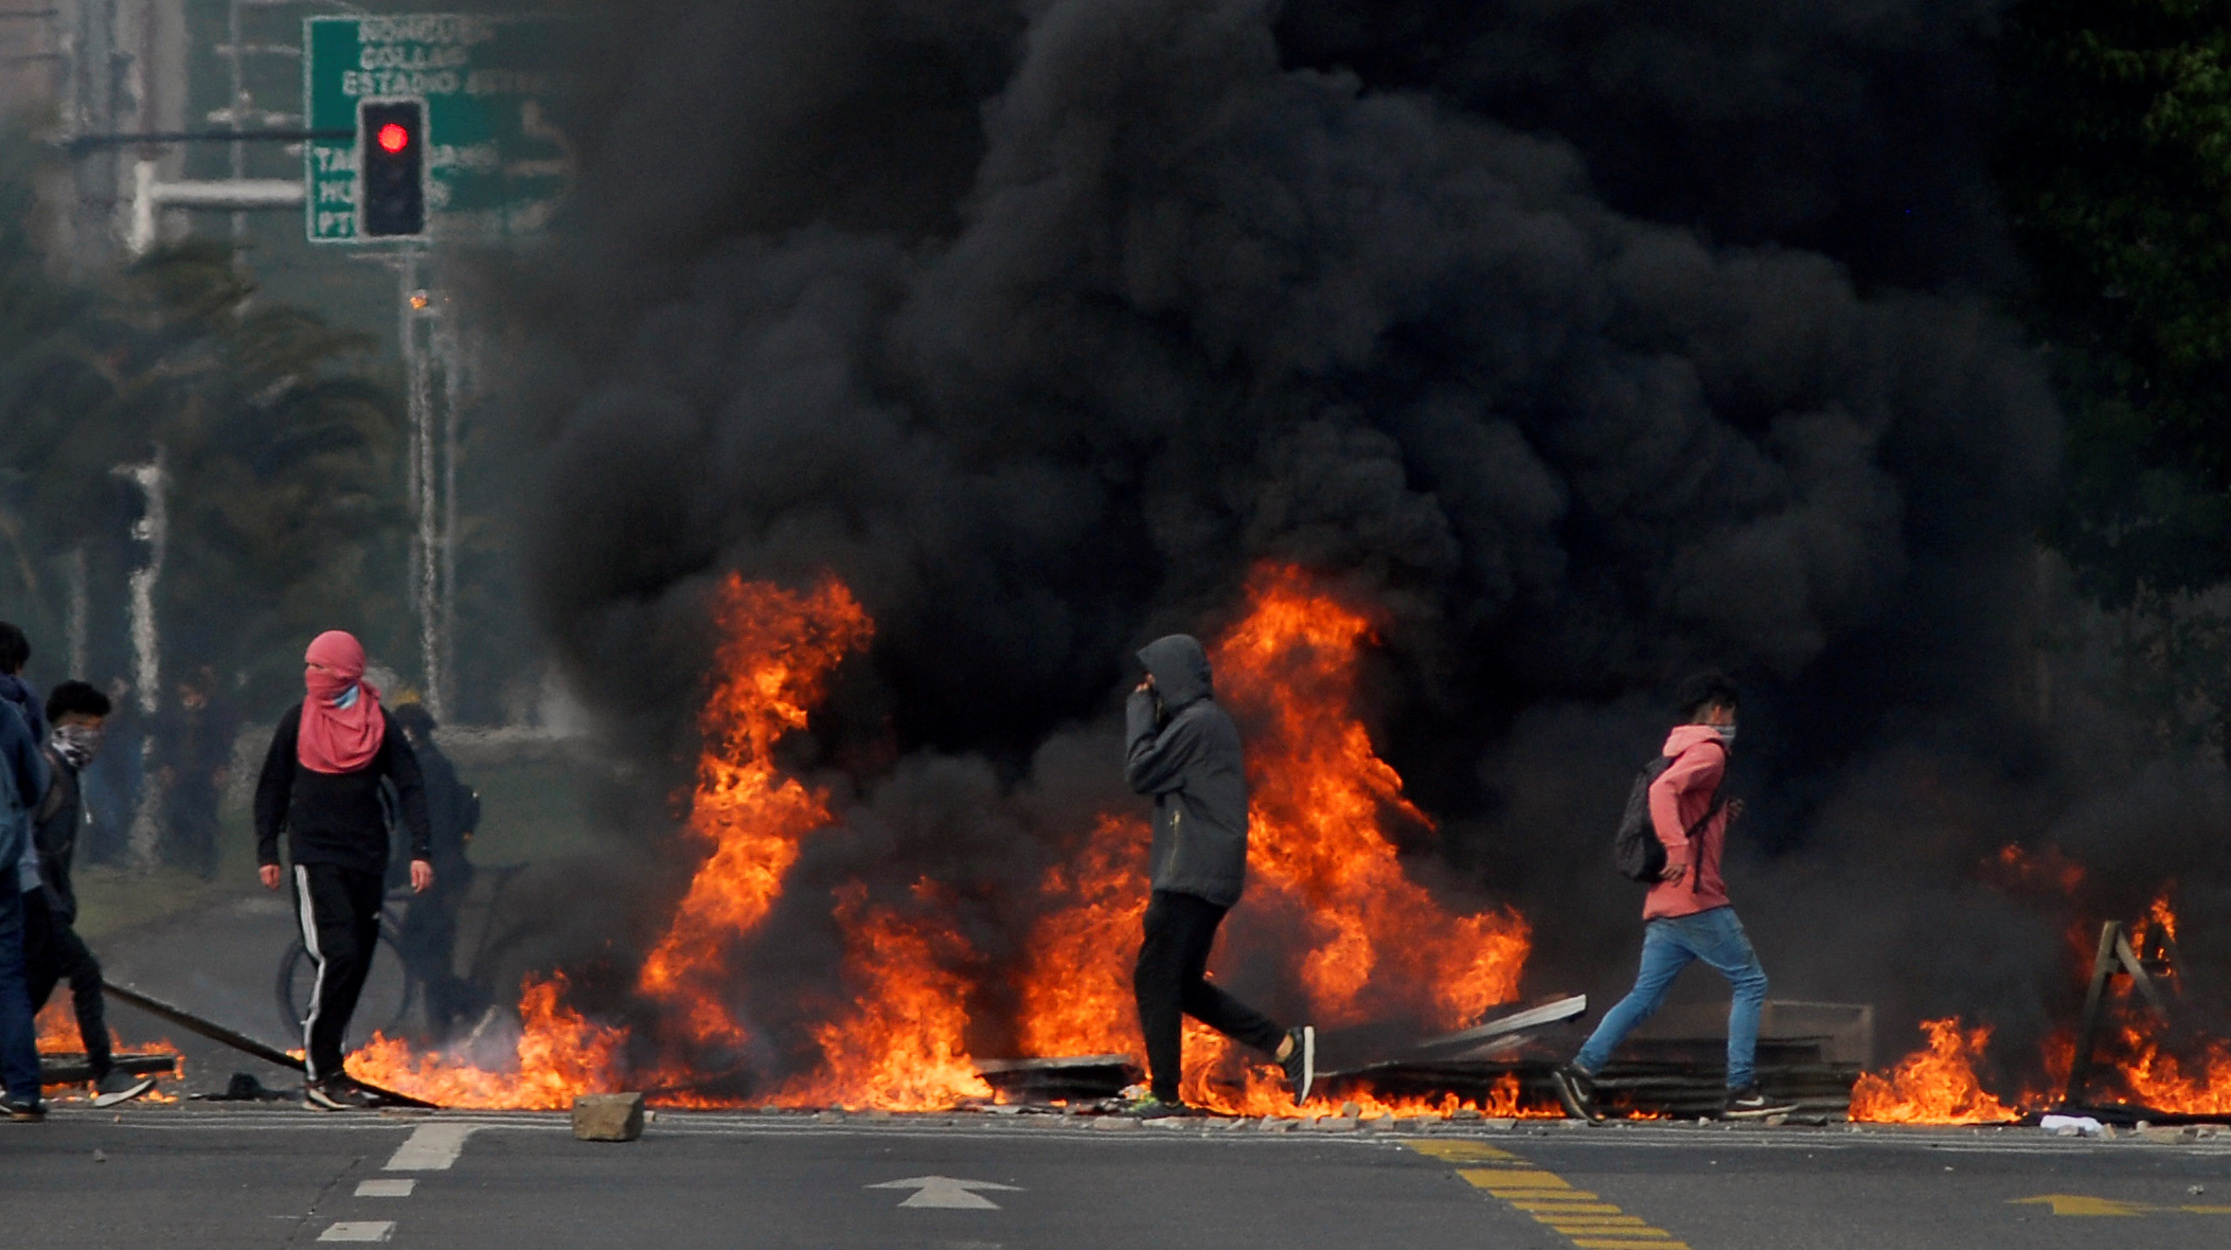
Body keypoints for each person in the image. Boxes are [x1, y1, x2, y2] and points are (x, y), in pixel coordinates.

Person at [1551, 671, 1796, 1121]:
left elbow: (1685, 806)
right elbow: (1665, 792)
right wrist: (1678, 847)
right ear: (1719, 712)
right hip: (1696, 899)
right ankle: (1740, 1088)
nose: (1733, 723)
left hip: (1665, 902)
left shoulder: (1678, 749)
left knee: (1644, 997)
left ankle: (1581, 1070)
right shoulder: (1709, 752)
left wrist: (1720, 814)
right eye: (1732, 714)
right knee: (1750, 982)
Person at [1124, 633, 1313, 1118]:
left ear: (1173, 678)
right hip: (1203, 872)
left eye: (1153, 679)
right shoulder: (1200, 723)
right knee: (1179, 983)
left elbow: (1140, 772)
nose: (1147, 687)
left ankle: (1164, 1093)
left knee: (1154, 976)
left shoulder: (1198, 724)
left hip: (1193, 874)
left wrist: (1139, 714)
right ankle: (1285, 1046)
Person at [253, 631, 433, 1110]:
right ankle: (320, 1075)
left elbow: (411, 784)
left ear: (346, 673)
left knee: (355, 966)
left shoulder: (379, 724)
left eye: (320, 667)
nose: (310, 676)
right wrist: (267, 849)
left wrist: (421, 849)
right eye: (307, 666)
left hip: (367, 860)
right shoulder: (298, 721)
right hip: (316, 858)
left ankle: (335, 1068)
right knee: (339, 956)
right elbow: (272, 785)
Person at [23, 681, 154, 1106]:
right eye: (92, 727)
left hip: (48, 900)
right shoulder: (46, 771)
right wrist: (46, 897)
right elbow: (28, 840)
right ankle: (104, 1073)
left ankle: (10, 1064)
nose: (97, 738)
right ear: (72, 727)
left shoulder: (66, 773)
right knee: (85, 972)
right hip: (36, 899)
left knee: (35, 985)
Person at [387, 699, 480, 1034]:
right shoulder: (428, 763)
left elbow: (426, 828)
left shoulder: (426, 770)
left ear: (410, 732)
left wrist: (399, 870)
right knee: (429, 945)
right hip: (439, 866)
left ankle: (459, 1009)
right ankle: (445, 1018)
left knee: (422, 943)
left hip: (438, 872)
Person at [0, 620, 49, 1120]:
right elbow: (36, 785)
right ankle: (23, 1093)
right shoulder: (10, 716)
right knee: (8, 978)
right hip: (3, 865)